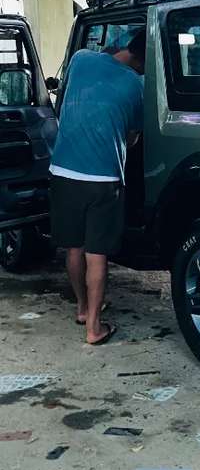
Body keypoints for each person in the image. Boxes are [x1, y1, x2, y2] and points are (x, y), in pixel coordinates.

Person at [49, 31, 145, 345]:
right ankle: (94, 327)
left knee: (73, 248)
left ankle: (81, 308)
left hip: (63, 171)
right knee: (97, 256)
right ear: (142, 61)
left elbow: (63, 98)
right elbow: (132, 137)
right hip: (103, 179)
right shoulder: (136, 85)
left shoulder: (80, 59)